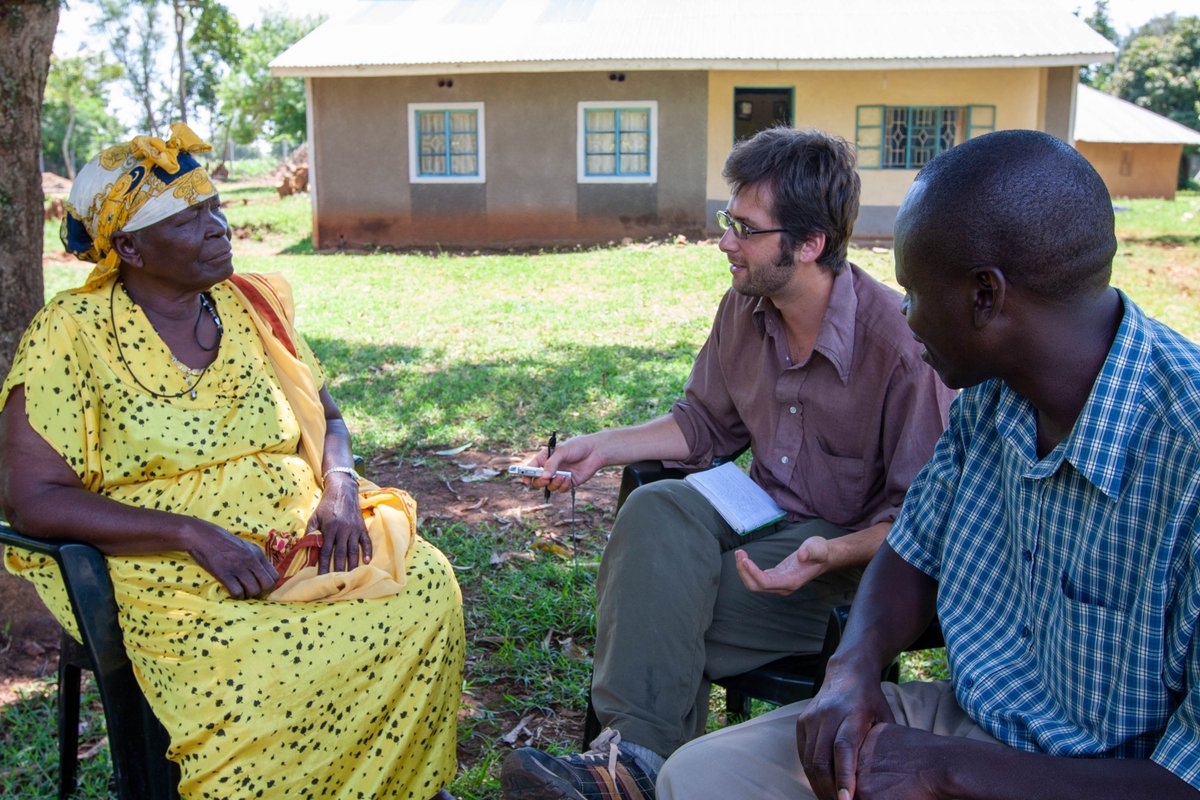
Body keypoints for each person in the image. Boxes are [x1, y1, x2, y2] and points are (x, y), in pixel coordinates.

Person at [656, 128, 1200, 799]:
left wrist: (947, 773)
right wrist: (853, 671)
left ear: (984, 297)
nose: (904, 316)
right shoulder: (989, 399)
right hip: (963, 723)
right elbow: (911, 552)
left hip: (1094, 781)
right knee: (699, 778)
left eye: (913, 292)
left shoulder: (1187, 456)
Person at [0, 124, 465, 799]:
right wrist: (192, 534)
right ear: (129, 247)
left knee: (424, 584)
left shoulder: (250, 306)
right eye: (189, 221)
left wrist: (339, 487)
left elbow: (328, 417)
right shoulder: (70, 334)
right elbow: (33, 497)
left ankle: (395, 786)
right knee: (259, 660)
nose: (219, 227)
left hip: (299, 536)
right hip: (164, 565)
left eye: (214, 207)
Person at [500, 127, 954, 800]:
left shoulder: (900, 351)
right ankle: (639, 768)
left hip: (851, 569)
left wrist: (830, 553)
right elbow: (703, 424)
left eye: (745, 227)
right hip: (764, 523)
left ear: (809, 244)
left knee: (654, 615)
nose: (724, 242)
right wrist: (601, 446)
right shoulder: (745, 310)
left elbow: (925, 525)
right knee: (656, 507)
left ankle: (632, 767)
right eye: (727, 220)